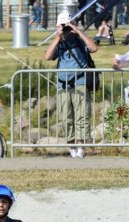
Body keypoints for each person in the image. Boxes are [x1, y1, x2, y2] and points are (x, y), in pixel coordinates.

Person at [44, 10, 99, 158]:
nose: (66, 30)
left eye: (66, 25)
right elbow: (48, 56)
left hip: (80, 82)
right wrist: (58, 36)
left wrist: (76, 30)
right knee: (65, 116)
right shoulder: (59, 41)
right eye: (63, 26)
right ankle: (71, 145)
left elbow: (93, 48)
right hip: (63, 84)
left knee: (82, 115)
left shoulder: (79, 39)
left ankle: (81, 146)